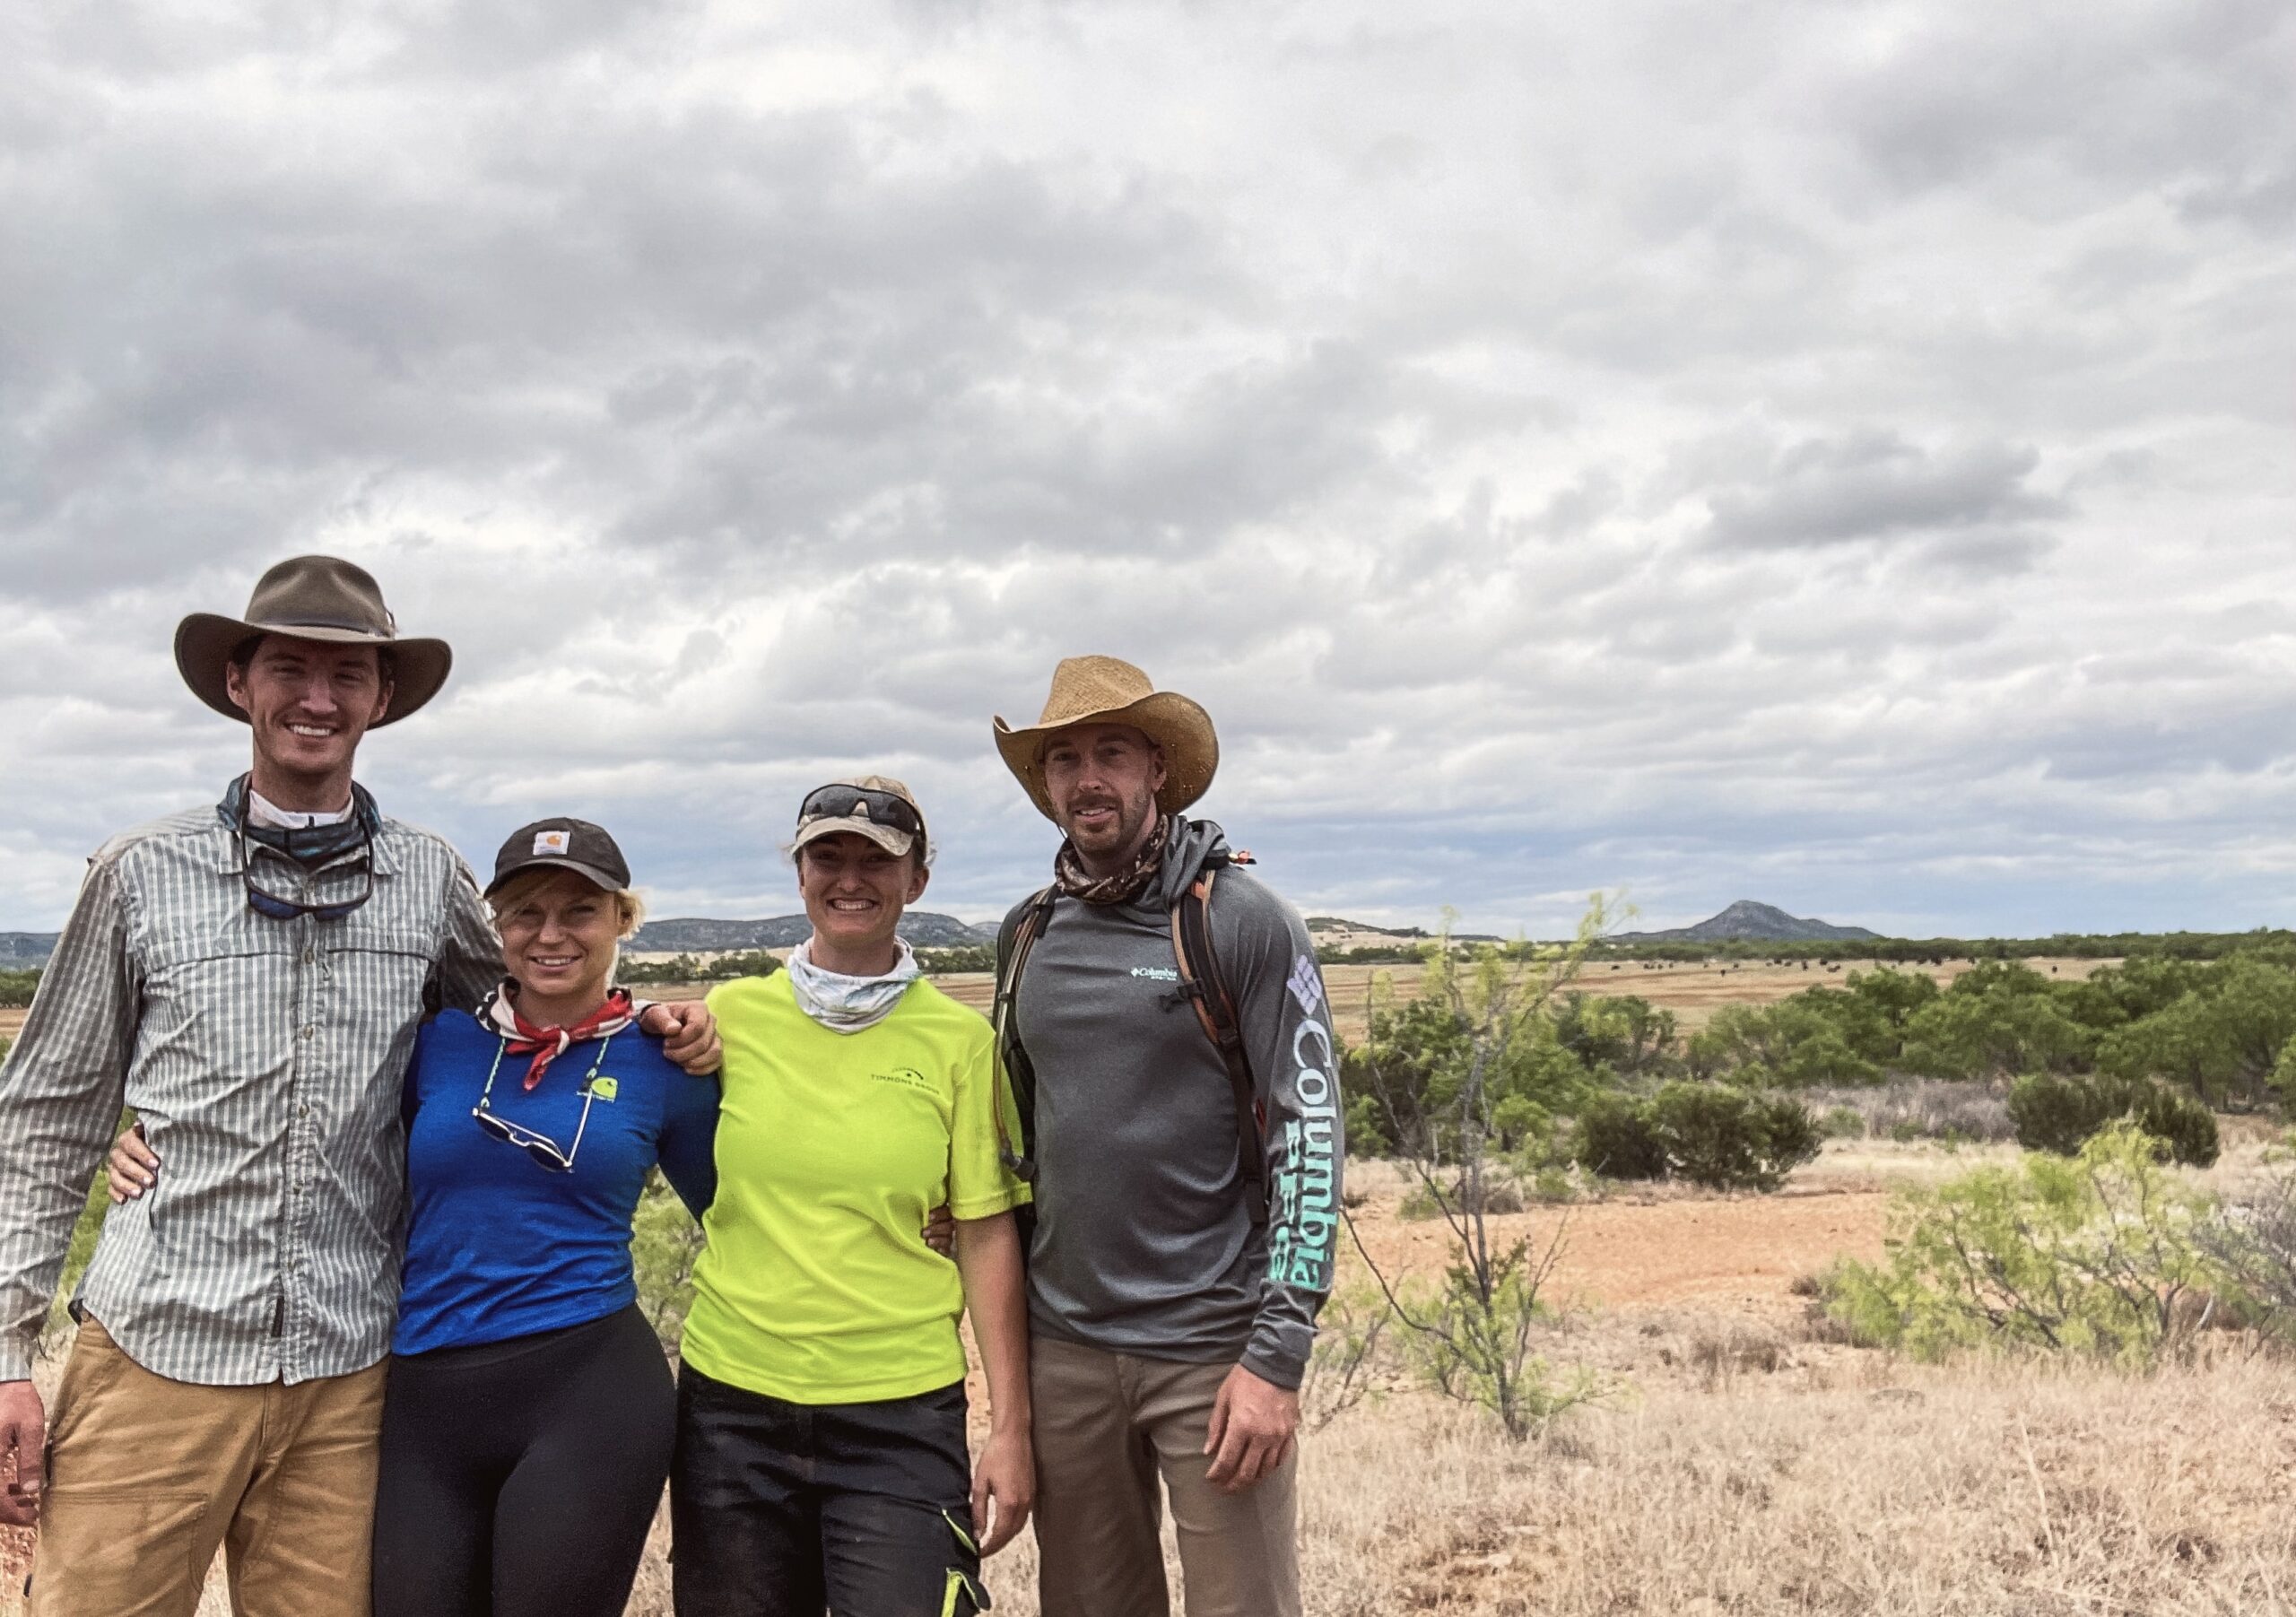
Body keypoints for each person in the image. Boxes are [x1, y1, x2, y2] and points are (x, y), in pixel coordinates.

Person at [0, 556, 717, 1617]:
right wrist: (9, 1349)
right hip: (157, 1353)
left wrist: (669, 1018)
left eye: (348, 674)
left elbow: (538, 1009)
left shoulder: (428, 880)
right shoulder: (140, 873)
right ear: (239, 682)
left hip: (349, 1377)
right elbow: (45, 1119)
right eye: (289, 667)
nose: (318, 698)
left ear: (382, 698)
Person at [988, 656, 1343, 1617]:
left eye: (1110, 751)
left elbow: (1309, 1140)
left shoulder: (1242, 923)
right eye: (1063, 758)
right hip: (1065, 1346)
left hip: (1213, 1344)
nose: (1085, 777)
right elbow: (1012, 1131)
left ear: (1156, 769)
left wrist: (1277, 1355)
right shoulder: (1027, 936)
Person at [671, 778, 1032, 1617]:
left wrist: (1011, 1429)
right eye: (827, 855)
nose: (850, 877)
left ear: (918, 881)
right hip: (733, 1407)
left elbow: (985, 1234)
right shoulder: (730, 1017)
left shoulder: (961, 1042)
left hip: (899, 1415)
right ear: (798, 872)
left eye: (878, 859)